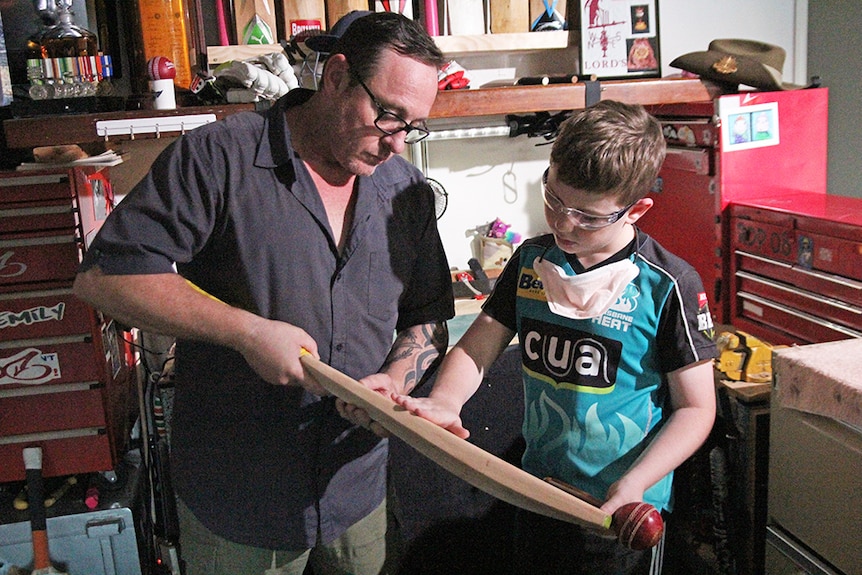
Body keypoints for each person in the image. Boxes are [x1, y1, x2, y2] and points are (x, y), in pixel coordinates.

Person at [73, 11, 453, 575]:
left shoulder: (405, 191)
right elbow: (107, 278)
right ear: (337, 77)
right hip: (242, 499)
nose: (397, 143)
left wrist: (394, 383)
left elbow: (426, 319)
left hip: (356, 490)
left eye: (413, 126)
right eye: (388, 116)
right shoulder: (219, 157)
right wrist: (246, 330)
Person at [385, 101, 718, 575]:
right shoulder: (531, 262)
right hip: (535, 490)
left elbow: (696, 408)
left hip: (615, 510)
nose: (563, 223)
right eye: (554, 200)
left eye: (588, 216)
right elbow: (478, 347)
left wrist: (637, 483)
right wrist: (445, 401)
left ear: (637, 209)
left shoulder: (668, 285)